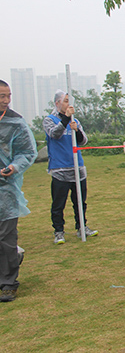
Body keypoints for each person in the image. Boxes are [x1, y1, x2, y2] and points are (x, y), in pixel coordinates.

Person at [0, 80, 37, 302]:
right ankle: (14, 258)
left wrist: (14, 167)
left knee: (6, 237)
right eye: (2, 96)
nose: (6, 100)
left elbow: (27, 151)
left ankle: (8, 283)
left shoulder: (15, 122)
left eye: (9, 96)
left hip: (5, 190)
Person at [43, 90, 97, 244]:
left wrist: (76, 130)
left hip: (77, 167)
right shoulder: (49, 120)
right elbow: (54, 134)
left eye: (69, 101)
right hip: (60, 169)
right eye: (65, 101)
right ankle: (59, 231)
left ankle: (82, 227)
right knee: (58, 203)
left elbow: (83, 141)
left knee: (80, 201)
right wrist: (65, 120)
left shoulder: (75, 121)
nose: (68, 104)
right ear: (57, 103)